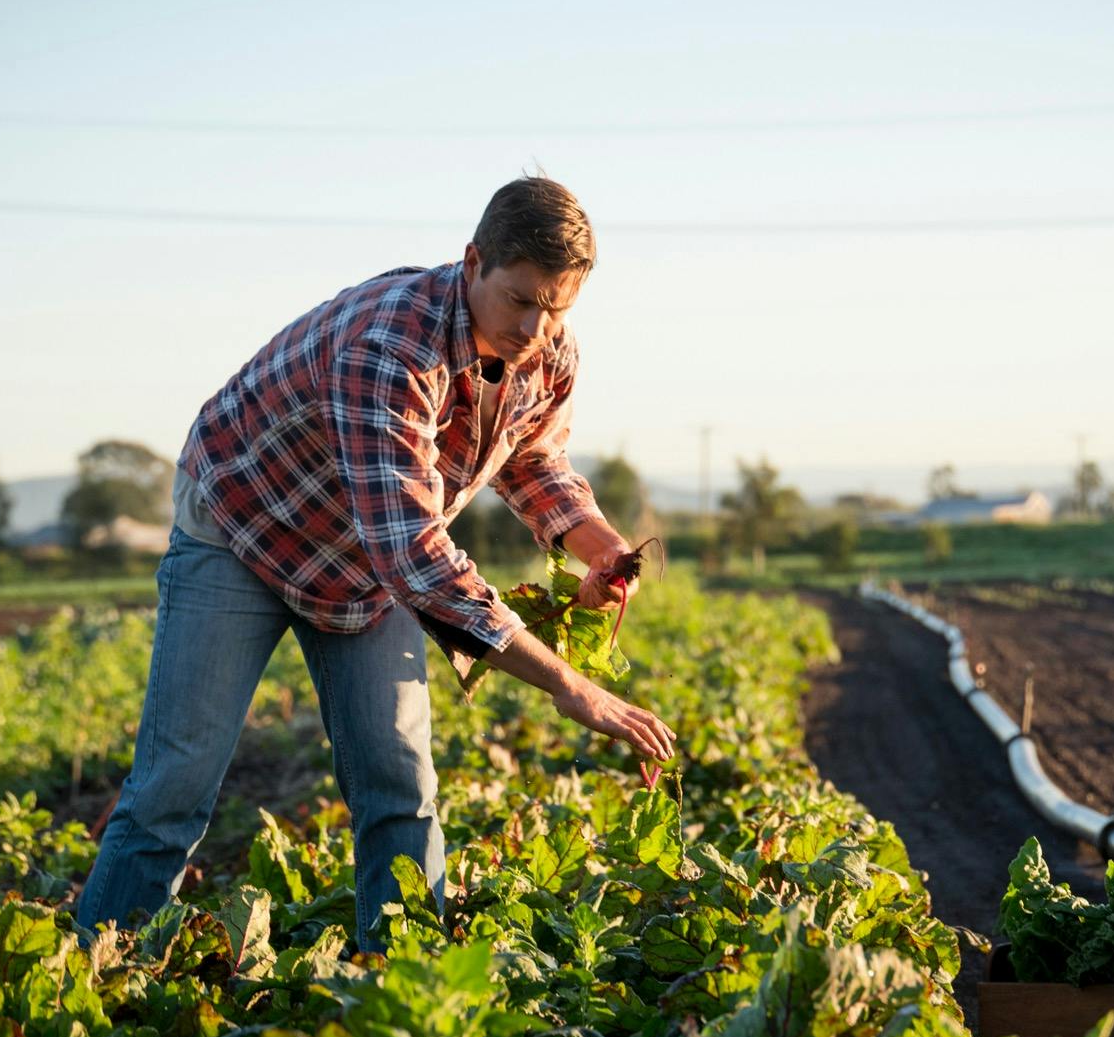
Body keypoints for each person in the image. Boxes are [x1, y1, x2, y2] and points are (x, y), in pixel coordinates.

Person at [76, 176, 676, 946]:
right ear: (472, 264)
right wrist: (567, 683)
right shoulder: (390, 348)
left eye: (557, 305)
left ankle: (402, 985)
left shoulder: (549, 352)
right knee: (176, 783)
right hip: (246, 524)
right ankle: (88, 982)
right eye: (521, 299)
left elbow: (533, 461)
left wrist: (598, 548)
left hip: (365, 558)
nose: (537, 324)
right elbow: (417, 557)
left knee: (399, 783)